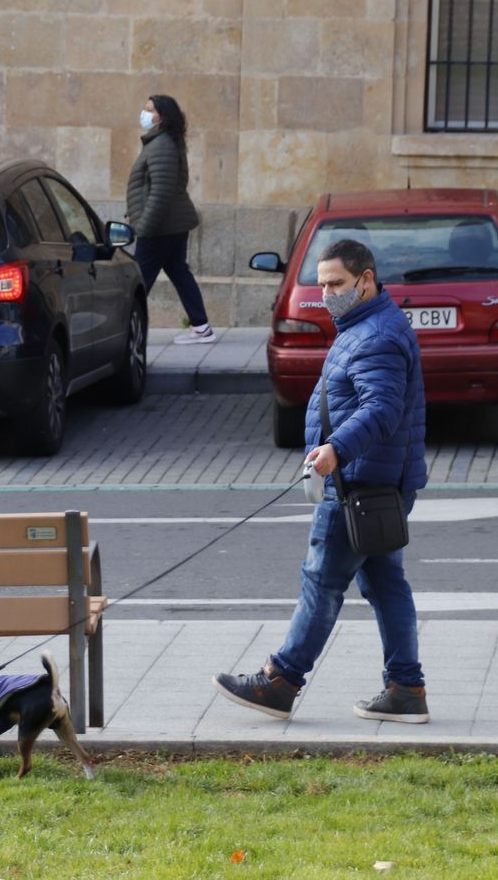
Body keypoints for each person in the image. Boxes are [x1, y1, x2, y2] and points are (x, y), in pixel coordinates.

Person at [212, 238, 430, 723]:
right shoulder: (365, 325)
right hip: (374, 482)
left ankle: (280, 681)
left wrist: (335, 450)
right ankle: (406, 689)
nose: (326, 293)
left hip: (359, 486)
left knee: (321, 581)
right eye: (322, 283)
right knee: (385, 582)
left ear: (366, 280)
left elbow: (382, 409)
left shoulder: (376, 335)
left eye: (337, 283)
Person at [124, 93, 213, 345]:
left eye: (149, 110)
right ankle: (201, 325)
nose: (144, 114)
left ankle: (125, 332)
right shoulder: (162, 142)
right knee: (178, 272)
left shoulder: (161, 145)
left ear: (161, 116)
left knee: (138, 281)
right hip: (171, 224)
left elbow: (160, 193)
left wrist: (144, 226)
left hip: (160, 228)